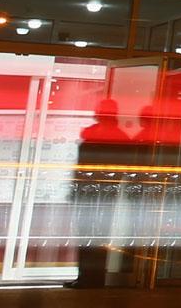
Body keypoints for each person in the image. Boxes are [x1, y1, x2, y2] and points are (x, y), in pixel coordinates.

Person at [70, 99, 138, 289]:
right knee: (95, 235)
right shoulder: (114, 135)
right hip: (102, 192)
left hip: (97, 192)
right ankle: (90, 276)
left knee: (91, 235)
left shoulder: (100, 134)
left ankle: (89, 276)